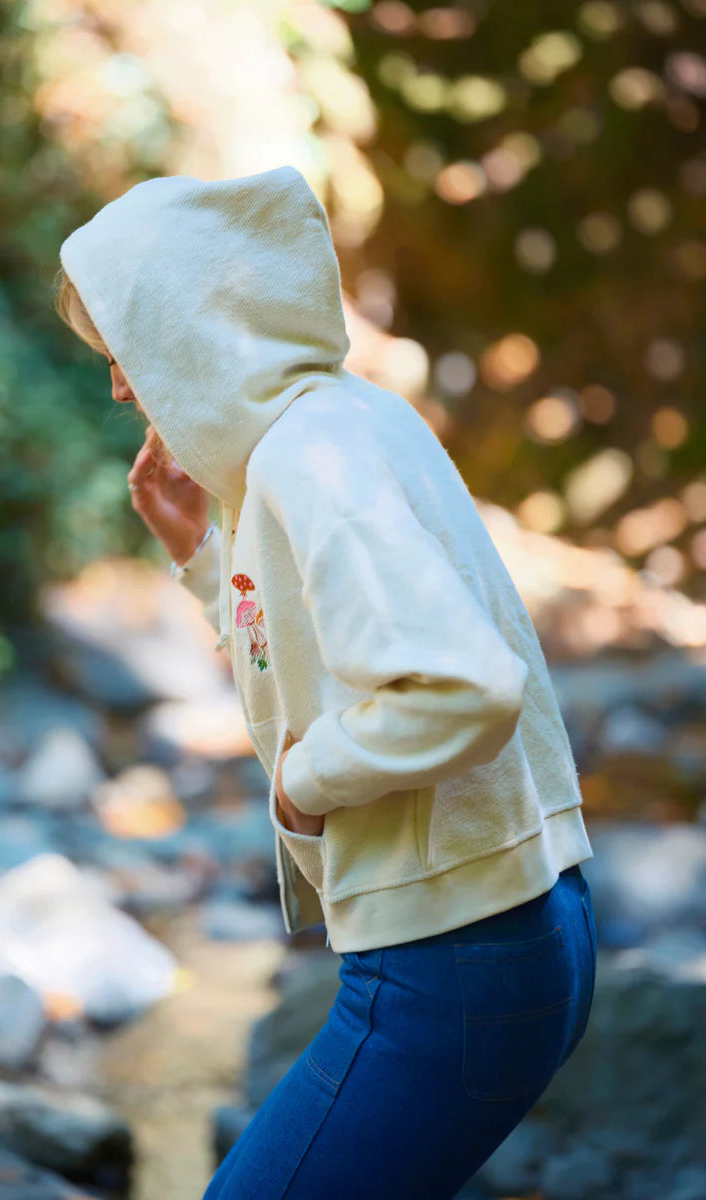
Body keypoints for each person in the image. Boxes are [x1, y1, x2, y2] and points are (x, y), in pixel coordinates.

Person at [54, 165, 598, 1199]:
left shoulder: (311, 456)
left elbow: (463, 689)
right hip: (517, 923)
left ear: (189, 322)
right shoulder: (333, 425)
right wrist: (203, 558)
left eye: (123, 348)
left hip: (453, 959)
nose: (120, 385)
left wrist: (308, 781)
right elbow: (316, 645)